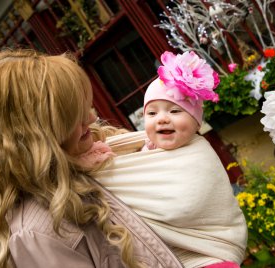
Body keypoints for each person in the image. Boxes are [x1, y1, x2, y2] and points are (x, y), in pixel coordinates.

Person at [0, 49, 184, 268]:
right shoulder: (37, 233)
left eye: (86, 106)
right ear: (34, 135)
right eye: (73, 115)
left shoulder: (95, 157)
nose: (92, 118)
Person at [97, 51, 248, 268]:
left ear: (197, 123)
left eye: (175, 110)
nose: (162, 119)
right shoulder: (142, 154)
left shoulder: (200, 154)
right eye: (151, 114)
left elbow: (182, 206)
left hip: (212, 257)